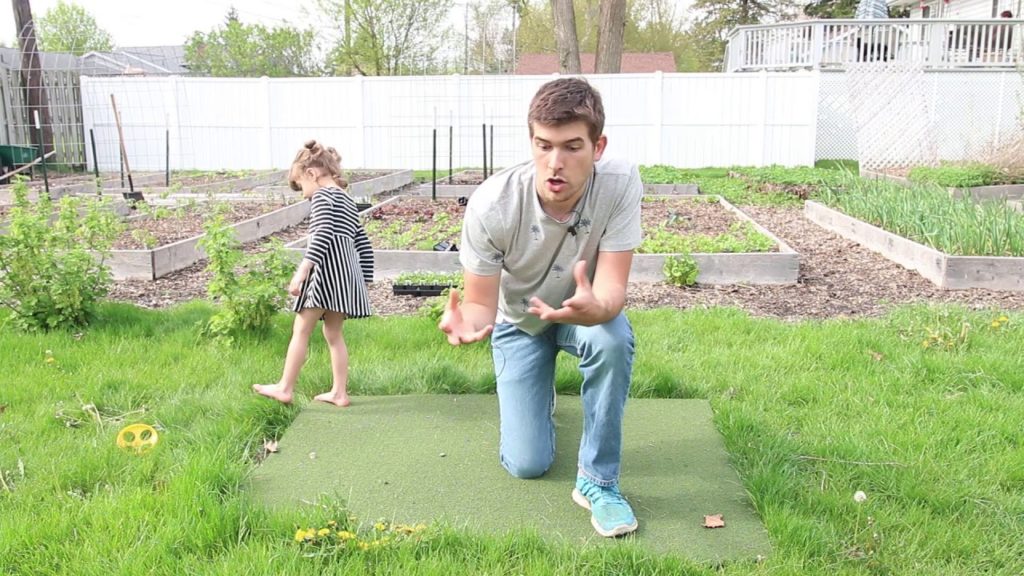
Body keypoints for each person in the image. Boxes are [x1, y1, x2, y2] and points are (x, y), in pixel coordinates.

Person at [439, 78, 643, 538]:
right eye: (543, 145)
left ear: (598, 146)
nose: (555, 163)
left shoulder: (620, 182)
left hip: (580, 313)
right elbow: (479, 304)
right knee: (527, 465)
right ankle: (540, 397)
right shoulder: (493, 204)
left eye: (573, 146)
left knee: (612, 339)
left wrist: (596, 306)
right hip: (519, 322)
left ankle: (598, 482)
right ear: (531, 141)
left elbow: (612, 292)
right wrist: (467, 324)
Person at [253, 140, 373, 407]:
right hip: (346, 277)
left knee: (302, 329)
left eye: (302, 185)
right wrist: (363, 280)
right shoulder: (347, 200)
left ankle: (285, 387)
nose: (304, 194)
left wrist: (302, 270)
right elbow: (363, 242)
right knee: (333, 334)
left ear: (312, 174)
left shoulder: (322, 197)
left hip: (325, 273)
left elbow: (321, 235)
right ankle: (340, 393)